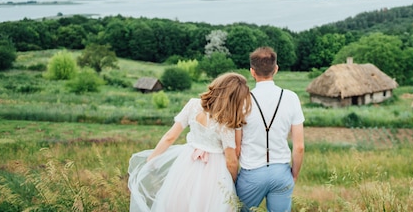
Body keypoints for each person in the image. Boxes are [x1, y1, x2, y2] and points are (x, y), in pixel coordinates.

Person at [128, 72, 252, 212]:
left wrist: (152, 159)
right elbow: (231, 161)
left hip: (187, 163)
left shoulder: (193, 105)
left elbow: (170, 136)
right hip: (215, 172)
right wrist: (232, 181)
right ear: (235, 99)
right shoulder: (226, 122)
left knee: (179, 202)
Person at [235, 47, 305, 212]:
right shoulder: (291, 97)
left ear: (252, 72)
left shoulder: (242, 100)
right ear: (276, 69)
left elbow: (236, 147)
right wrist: (293, 175)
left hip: (251, 173)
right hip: (281, 172)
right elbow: (299, 147)